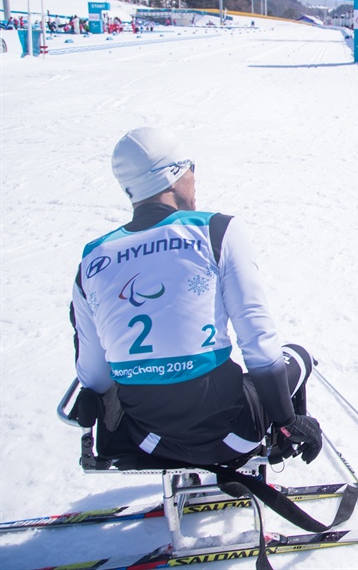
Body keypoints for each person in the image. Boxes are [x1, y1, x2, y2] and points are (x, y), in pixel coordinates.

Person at [70, 127, 322, 466]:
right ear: (173, 176)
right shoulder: (216, 230)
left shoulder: (92, 259)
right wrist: (287, 419)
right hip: (233, 436)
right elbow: (259, 343)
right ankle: (283, 441)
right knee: (298, 355)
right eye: (191, 168)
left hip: (148, 440)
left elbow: (95, 377)